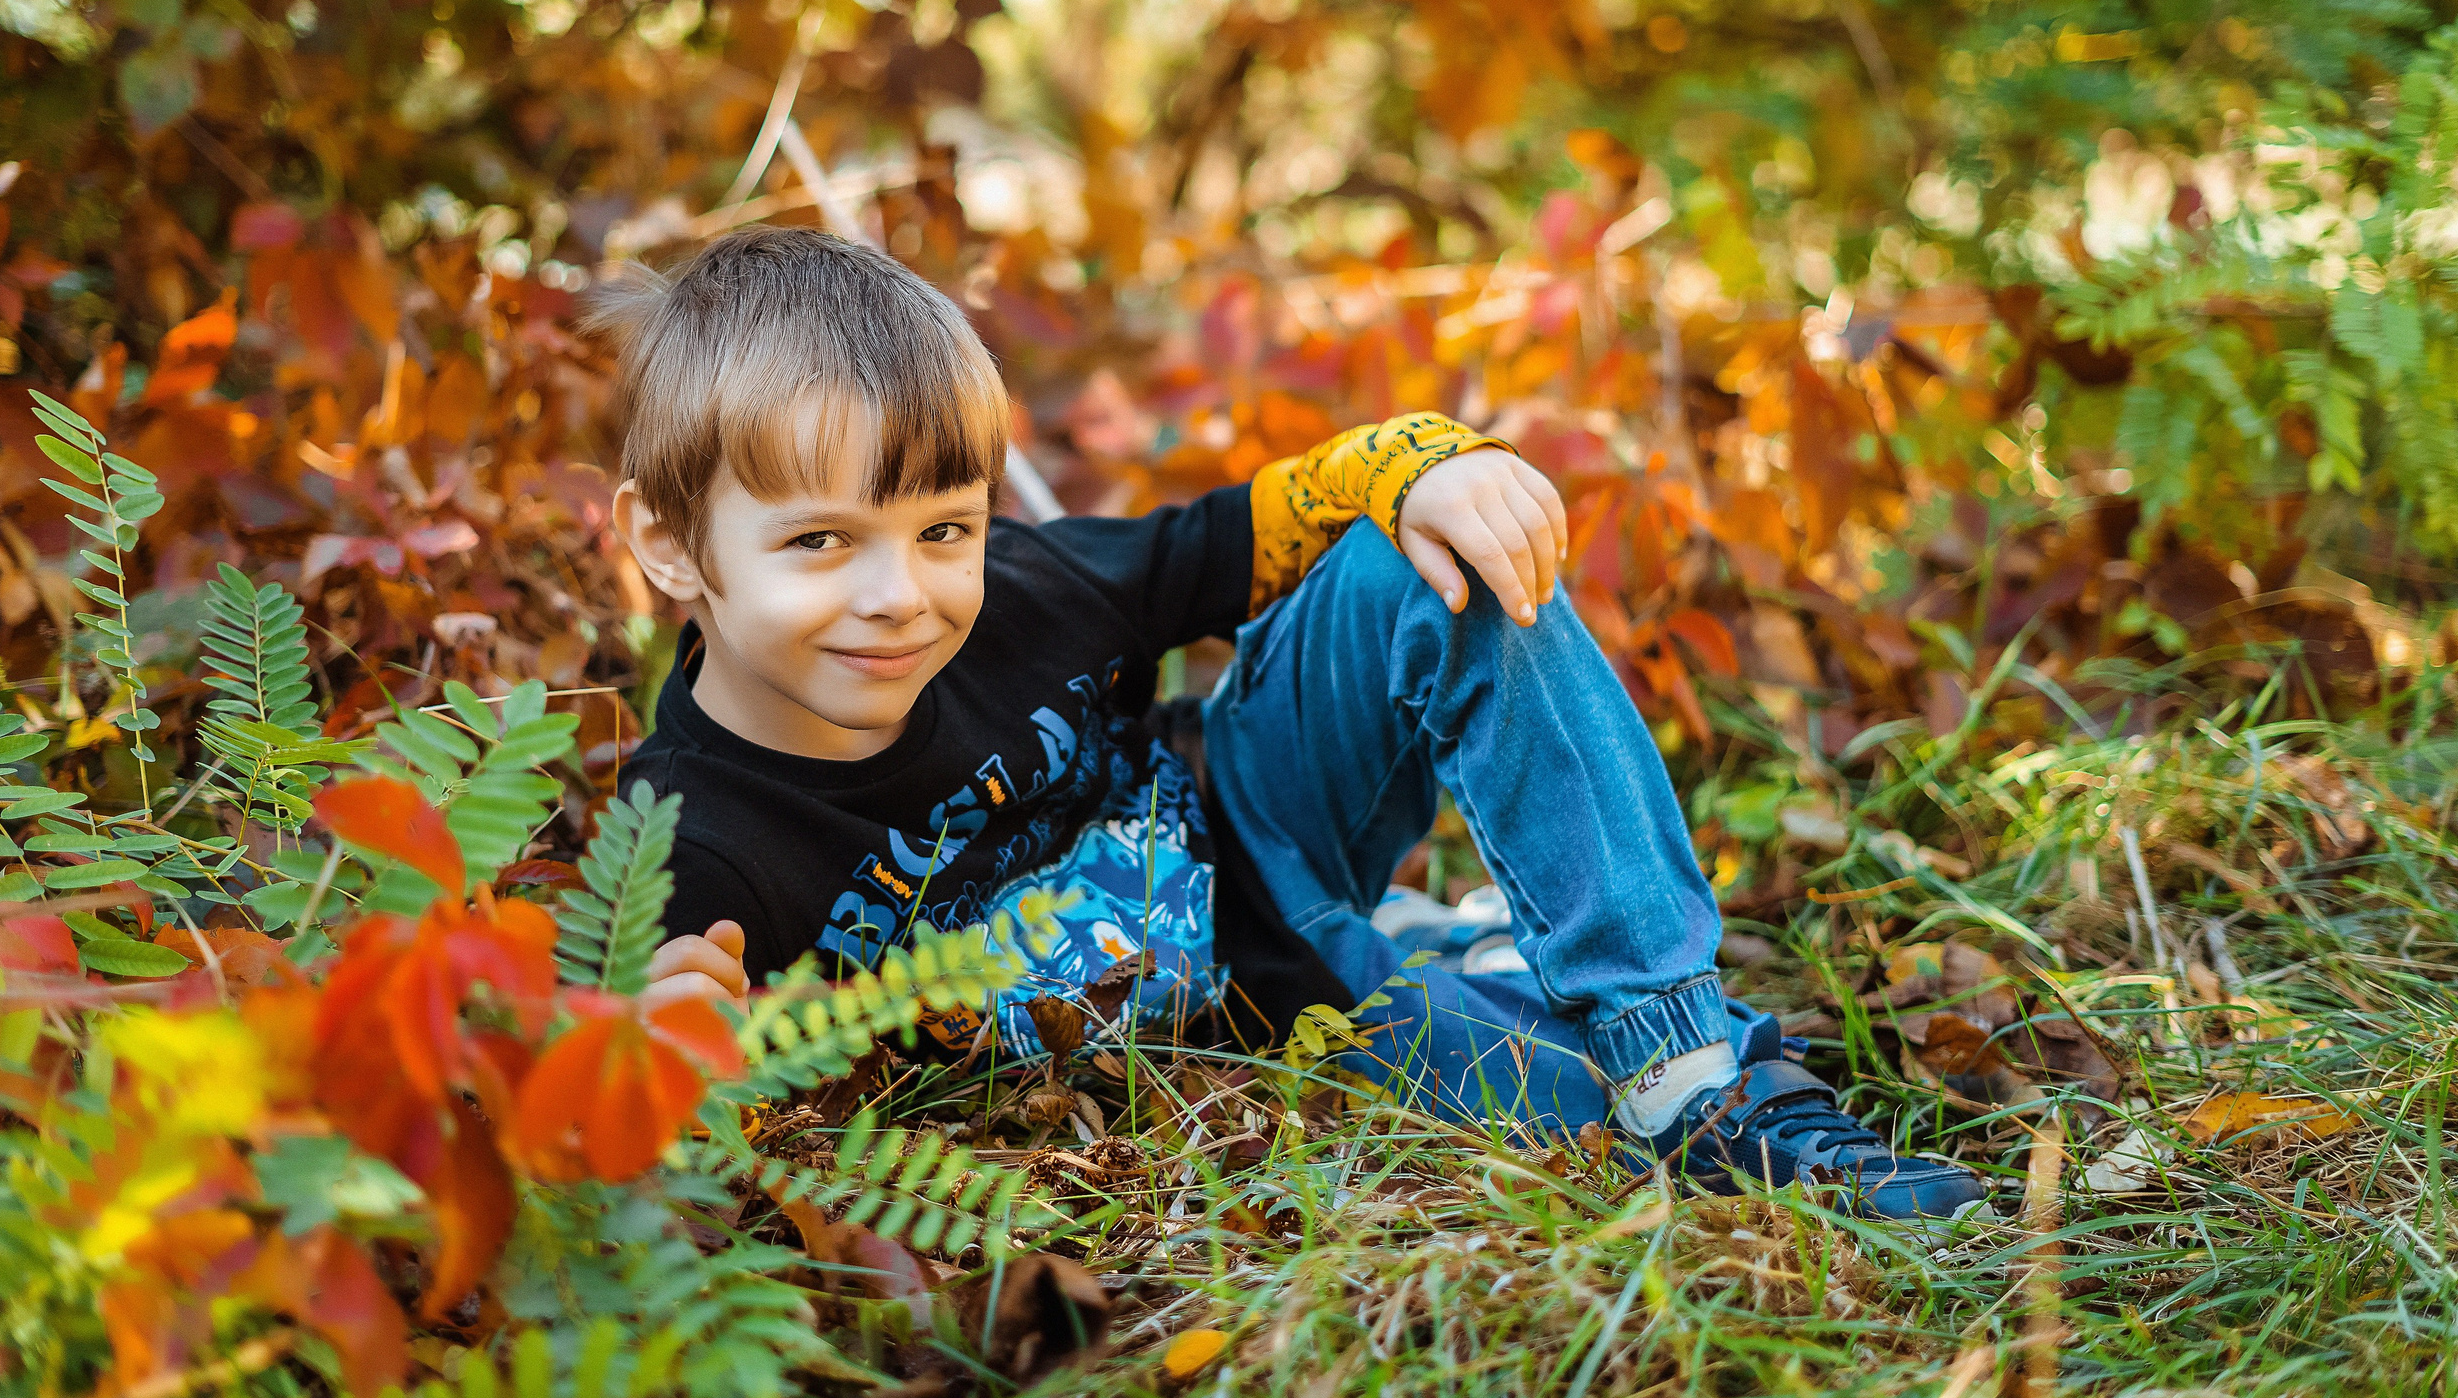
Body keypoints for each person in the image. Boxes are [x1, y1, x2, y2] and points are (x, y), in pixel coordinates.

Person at [602, 226, 1983, 1221]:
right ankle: (1485, 974)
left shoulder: (1024, 592)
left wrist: (1430, 466)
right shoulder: (690, 841)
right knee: (1561, 1113)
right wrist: (656, 1053)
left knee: (1427, 565)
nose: (899, 596)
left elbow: (1240, 532)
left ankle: (1676, 1048)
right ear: (668, 547)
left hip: (1255, 811)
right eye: (823, 541)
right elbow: (639, 1062)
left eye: (943, 528)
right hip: (1266, 1010)